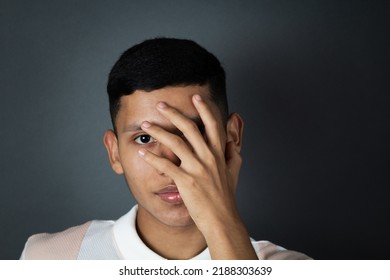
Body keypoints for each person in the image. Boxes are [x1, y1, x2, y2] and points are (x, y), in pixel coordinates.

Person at [20, 38, 310, 260]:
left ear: (231, 138)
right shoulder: (52, 257)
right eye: (145, 138)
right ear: (115, 152)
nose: (170, 161)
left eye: (191, 133)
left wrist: (220, 220)